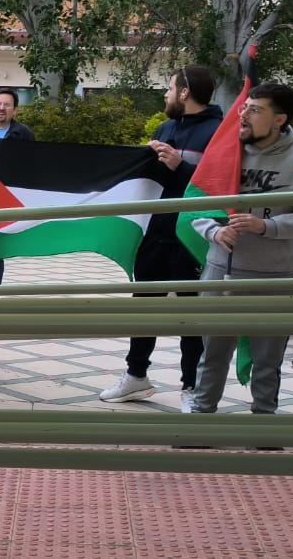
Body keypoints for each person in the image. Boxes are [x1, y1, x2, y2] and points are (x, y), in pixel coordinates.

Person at [188, 83, 293, 419]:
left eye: (255, 109)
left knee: (268, 360)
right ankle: (200, 421)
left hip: (275, 277)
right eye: (244, 107)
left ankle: (263, 426)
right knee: (212, 356)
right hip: (220, 273)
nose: (243, 114)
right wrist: (214, 231)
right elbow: (194, 207)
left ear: (279, 119)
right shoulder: (224, 153)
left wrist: (267, 227)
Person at [99, 66, 224, 409]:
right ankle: (136, 376)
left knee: (190, 316)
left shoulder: (218, 133)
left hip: (192, 239)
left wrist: (181, 166)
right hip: (155, 234)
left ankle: (192, 388)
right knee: (145, 308)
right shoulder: (166, 128)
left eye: (169, 88)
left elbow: (219, 187)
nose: (165, 94)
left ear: (185, 92)